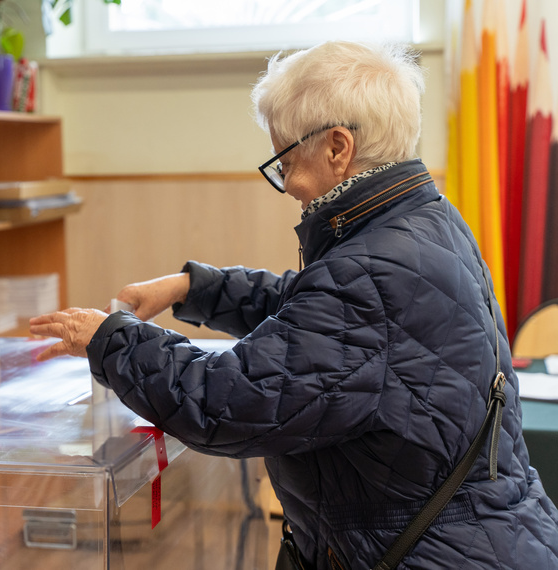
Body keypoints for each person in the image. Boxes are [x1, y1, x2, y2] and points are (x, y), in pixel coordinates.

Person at [30, 41, 558, 569]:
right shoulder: (424, 222)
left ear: (337, 148)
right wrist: (195, 289)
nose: (286, 185)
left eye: (284, 159)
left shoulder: (371, 273)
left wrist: (109, 338)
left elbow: (224, 400)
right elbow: (314, 317)